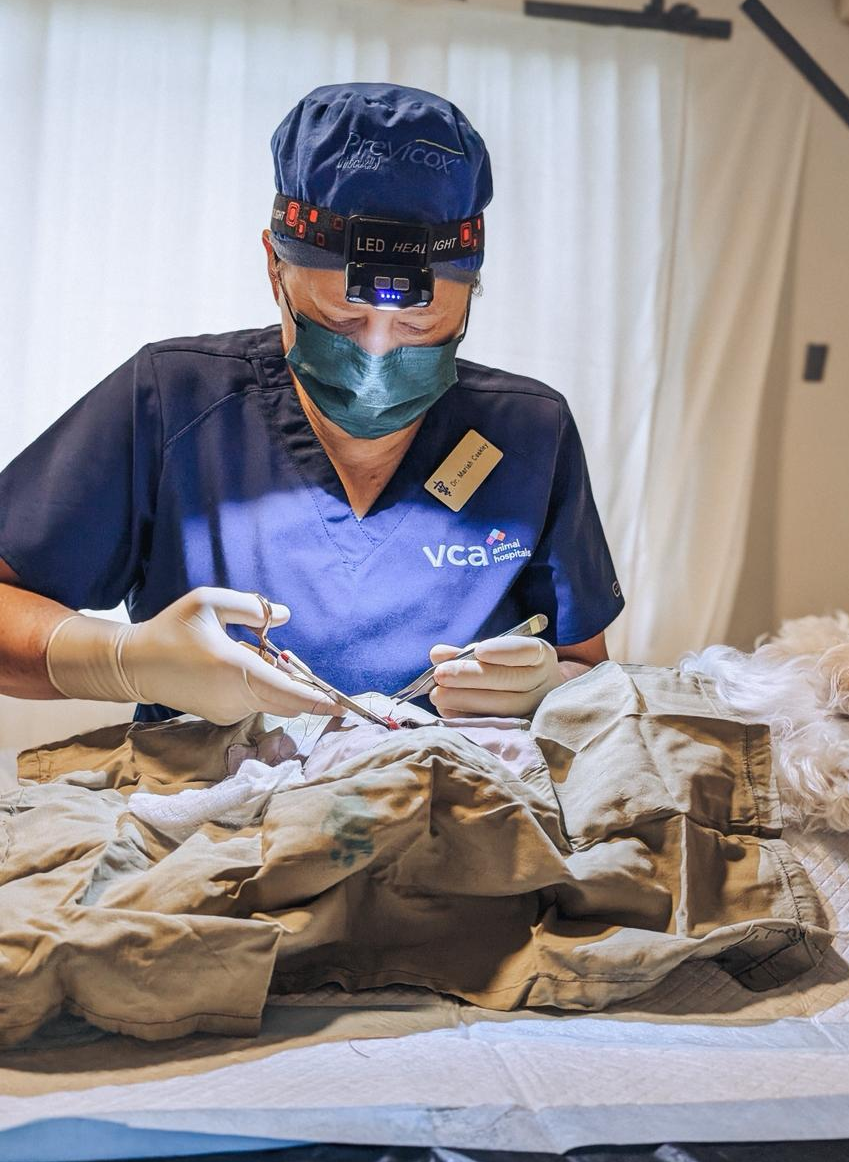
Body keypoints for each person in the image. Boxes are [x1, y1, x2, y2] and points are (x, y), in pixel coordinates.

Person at [0, 82, 624, 727]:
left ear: (471, 295)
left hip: (445, 809)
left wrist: (552, 687)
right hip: (223, 816)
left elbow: (589, 671)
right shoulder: (173, 400)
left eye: (419, 326)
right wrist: (121, 659)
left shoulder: (529, 432)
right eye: (341, 320)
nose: (378, 356)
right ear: (275, 269)